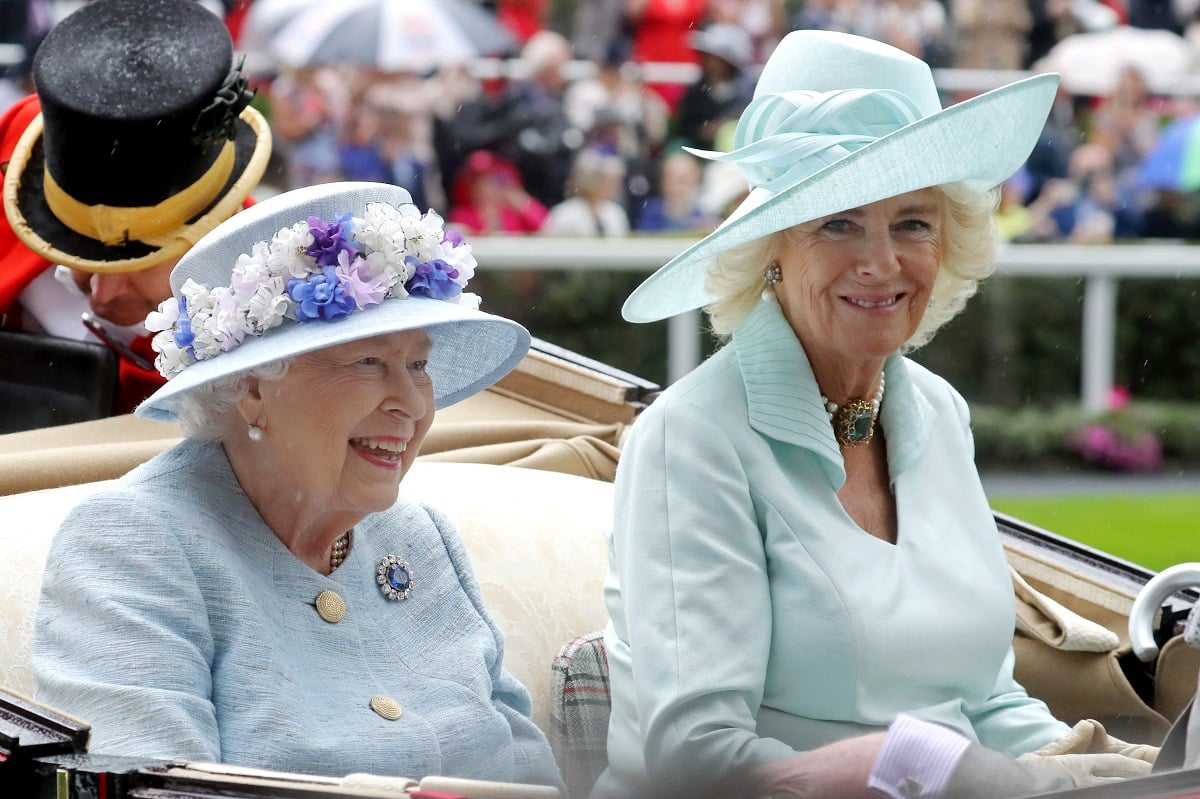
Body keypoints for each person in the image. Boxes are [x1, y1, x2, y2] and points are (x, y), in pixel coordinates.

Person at [593, 30, 1158, 799]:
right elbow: (695, 760)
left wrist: (1091, 768)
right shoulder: (692, 438)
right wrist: (911, 765)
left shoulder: (936, 410)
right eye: (838, 221)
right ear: (769, 247)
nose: (882, 261)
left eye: (912, 222)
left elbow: (985, 701)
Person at [31, 181, 564, 790]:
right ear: (254, 390)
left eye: (417, 364)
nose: (413, 404)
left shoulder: (419, 535)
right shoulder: (131, 543)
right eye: (369, 363)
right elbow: (153, 787)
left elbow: (530, 770)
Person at [1, 0, 271, 417]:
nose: (101, 295)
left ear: (222, 224)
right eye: (74, 249)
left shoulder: (273, 304)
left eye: (140, 258)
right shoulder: (20, 143)